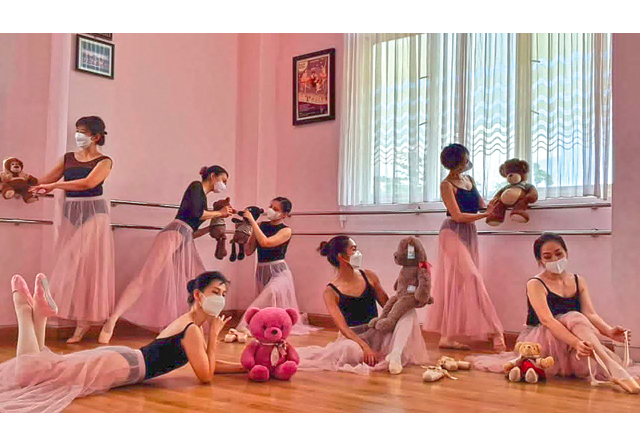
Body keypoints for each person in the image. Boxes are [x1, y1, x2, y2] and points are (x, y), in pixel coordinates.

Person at [0, 271, 244, 413]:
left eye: (223, 294)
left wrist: (245, 367)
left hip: (122, 361)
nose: (221, 299)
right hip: (120, 366)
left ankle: (39, 314)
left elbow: (208, 363)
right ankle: (24, 310)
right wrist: (214, 336)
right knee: (30, 377)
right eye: (216, 292)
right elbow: (206, 375)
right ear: (198, 295)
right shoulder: (192, 331)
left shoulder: (190, 325)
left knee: (47, 372)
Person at [470, 233, 640, 394]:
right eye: (548, 256)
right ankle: (613, 368)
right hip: (542, 338)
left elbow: (590, 314)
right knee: (574, 316)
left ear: (566, 253)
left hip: (574, 335)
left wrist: (609, 332)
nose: (555, 260)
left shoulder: (578, 280)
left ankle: (609, 366)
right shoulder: (535, 283)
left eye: (559, 254)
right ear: (540, 260)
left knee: (578, 327)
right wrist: (576, 342)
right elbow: (547, 320)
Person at [98, 165, 234, 343]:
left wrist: (210, 228)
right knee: (145, 277)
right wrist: (220, 213)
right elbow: (196, 214)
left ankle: (194, 327)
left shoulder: (203, 199)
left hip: (183, 238)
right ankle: (112, 319)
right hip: (173, 234)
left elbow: (191, 230)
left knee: (198, 280)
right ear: (213, 176)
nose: (223, 185)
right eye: (223, 180)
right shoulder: (196, 187)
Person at [30, 116, 115, 344]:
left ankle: (46, 307)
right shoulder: (68, 158)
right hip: (71, 212)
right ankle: (81, 321)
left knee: (74, 262)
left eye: (83, 132)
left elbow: (88, 183)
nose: (78, 135)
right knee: (78, 271)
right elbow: (44, 180)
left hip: (94, 213)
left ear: (96, 136)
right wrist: (19, 181)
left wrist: (55, 185)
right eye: (77, 130)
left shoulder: (104, 161)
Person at [295, 236, 430, 375]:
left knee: (408, 311)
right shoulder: (330, 292)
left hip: (376, 331)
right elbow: (343, 328)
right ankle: (378, 355)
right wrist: (365, 347)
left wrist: (411, 294)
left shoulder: (369, 276)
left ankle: (395, 354)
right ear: (341, 256)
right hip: (353, 338)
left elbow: (388, 306)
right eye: (353, 249)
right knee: (351, 351)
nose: (358, 253)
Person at [421, 143, 506, 352]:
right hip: (451, 232)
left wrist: (501, 202)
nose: (469, 162)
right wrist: (485, 215)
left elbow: (481, 205)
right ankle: (497, 331)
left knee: (459, 284)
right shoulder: (446, 185)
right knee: (473, 277)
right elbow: (457, 216)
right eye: (466, 158)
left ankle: (447, 337)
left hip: (469, 233)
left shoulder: (469, 180)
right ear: (458, 161)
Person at [231, 197, 319, 338]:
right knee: (268, 303)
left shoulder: (286, 231)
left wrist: (253, 222)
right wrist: (245, 232)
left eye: (275, 209)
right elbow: (249, 251)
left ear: (284, 215)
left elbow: (266, 242)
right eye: (270, 206)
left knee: (270, 293)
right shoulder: (260, 226)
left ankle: (244, 326)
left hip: (279, 272)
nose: (271, 210)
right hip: (262, 270)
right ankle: (264, 326)